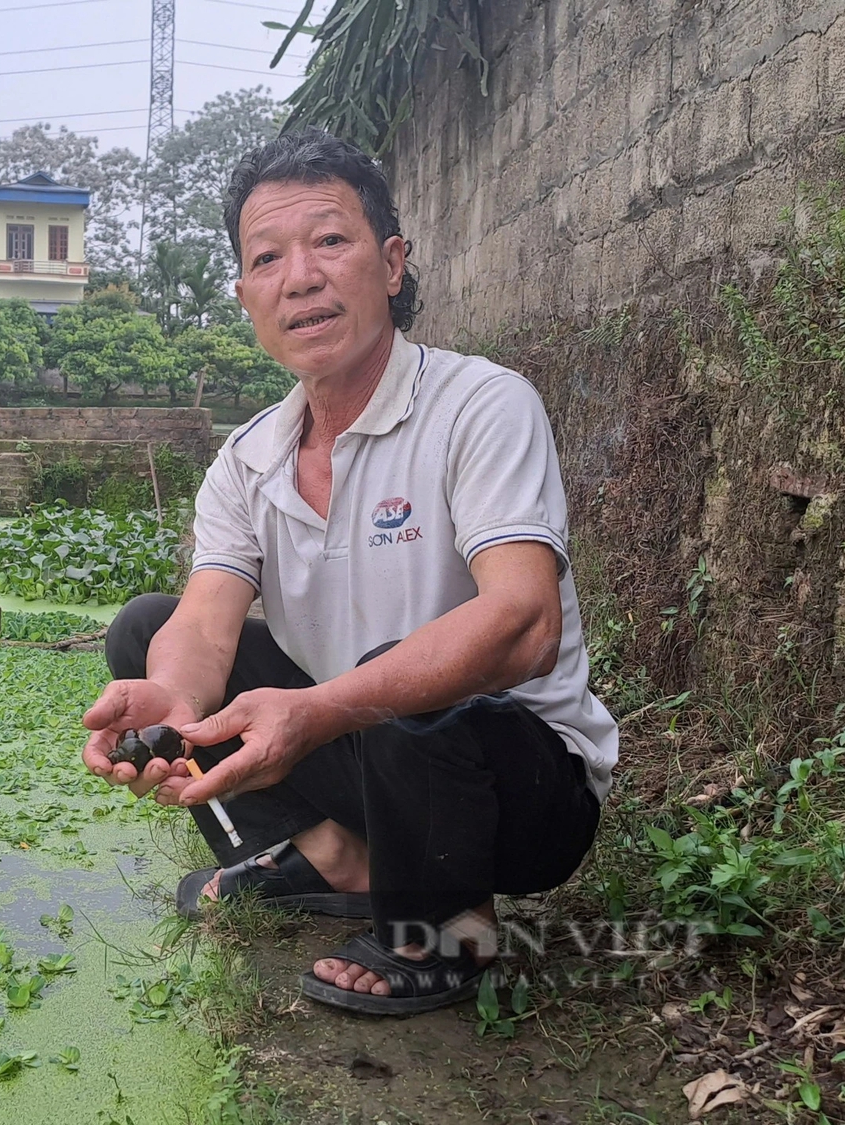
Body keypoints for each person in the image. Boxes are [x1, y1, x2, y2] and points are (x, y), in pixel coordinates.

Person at [80, 129, 618, 1016]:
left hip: (513, 785)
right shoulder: (249, 457)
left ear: (393, 263)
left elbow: (524, 624)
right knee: (146, 631)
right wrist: (174, 699)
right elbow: (209, 621)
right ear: (247, 295)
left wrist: (318, 709)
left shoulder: (483, 404)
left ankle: (447, 927)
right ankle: (346, 856)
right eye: (268, 257)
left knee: (415, 675)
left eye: (331, 240)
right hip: (367, 751)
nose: (301, 276)